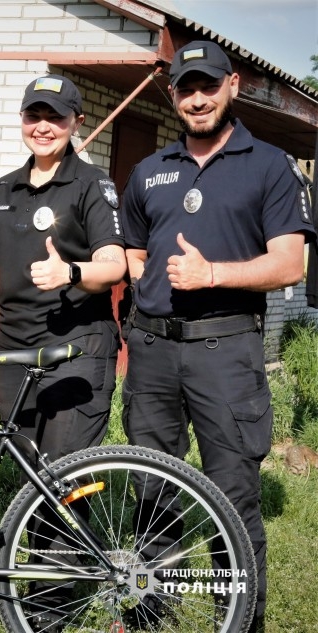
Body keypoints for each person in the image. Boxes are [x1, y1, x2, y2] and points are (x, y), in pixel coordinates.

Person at [120, 40, 315, 631]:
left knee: (233, 493)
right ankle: (152, 613)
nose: (197, 97)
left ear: (233, 85)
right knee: (152, 489)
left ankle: (241, 620)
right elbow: (133, 253)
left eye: (208, 84)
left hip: (226, 351)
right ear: (173, 94)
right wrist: (155, 297)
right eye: (186, 87)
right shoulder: (150, 171)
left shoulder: (270, 165)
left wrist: (212, 276)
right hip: (152, 351)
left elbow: (290, 264)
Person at [0, 74, 126, 627]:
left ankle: (54, 608)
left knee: (64, 481)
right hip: (15, 357)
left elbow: (117, 263)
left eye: (55, 117)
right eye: (34, 114)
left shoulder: (91, 185)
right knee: (29, 478)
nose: (43, 126)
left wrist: (72, 271)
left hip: (75, 351)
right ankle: (31, 589)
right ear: (22, 119)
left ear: (75, 123)